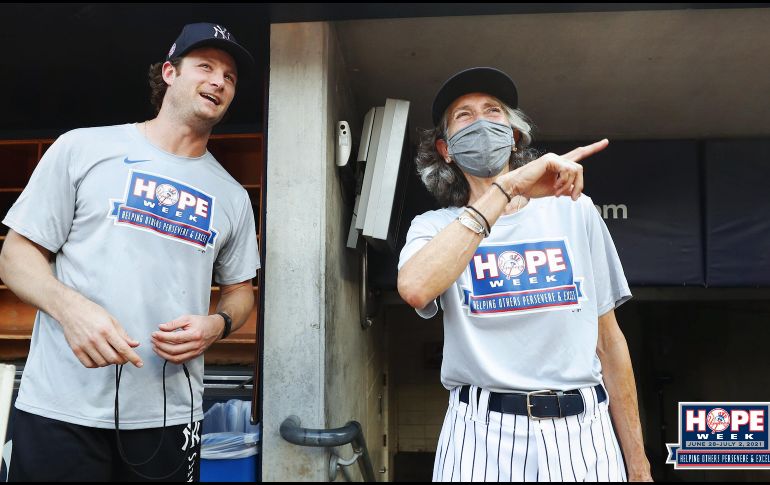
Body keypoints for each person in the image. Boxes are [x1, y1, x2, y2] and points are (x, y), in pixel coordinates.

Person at [0, 23, 260, 482]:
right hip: (61, 408)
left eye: (230, 76)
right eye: (205, 66)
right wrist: (70, 309)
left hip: (168, 417)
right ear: (169, 73)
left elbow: (241, 292)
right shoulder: (83, 148)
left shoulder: (233, 196)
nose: (219, 81)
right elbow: (16, 255)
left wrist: (216, 325)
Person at [398, 67, 652, 482]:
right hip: (481, 435)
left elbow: (609, 342)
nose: (481, 121)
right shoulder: (434, 227)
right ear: (446, 150)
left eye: (493, 111)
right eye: (464, 115)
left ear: (514, 137)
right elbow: (414, 288)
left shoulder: (574, 210)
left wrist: (638, 466)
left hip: (583, 431)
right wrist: (506, 189)